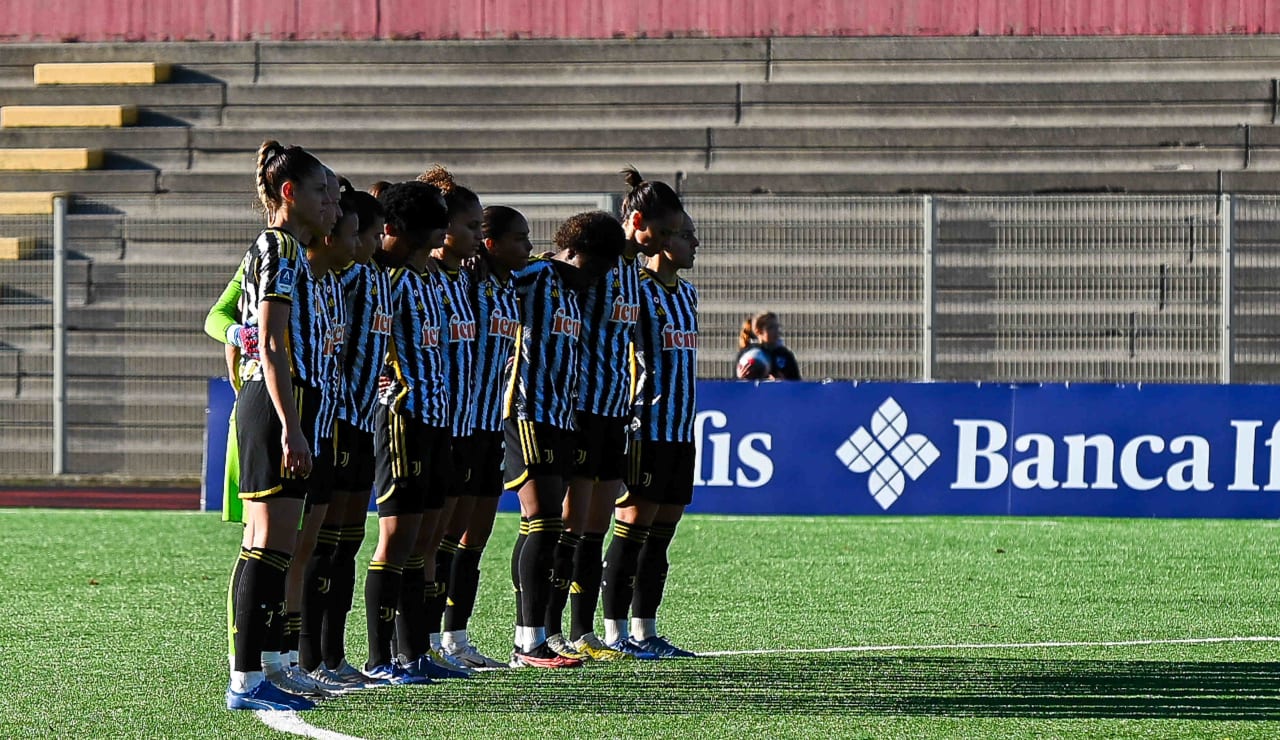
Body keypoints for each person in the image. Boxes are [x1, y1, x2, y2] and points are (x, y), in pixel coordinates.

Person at [548, 167, 685, 663]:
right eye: (664, 232)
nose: (666, 243)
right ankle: (544, 629)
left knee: (595, 526)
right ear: (638, 221)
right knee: (568, 522)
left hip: (614, 412)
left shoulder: (638, 277)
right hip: (578, 408)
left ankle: (584, 631)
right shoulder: (596, 260)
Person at [224, 140, 330, 711]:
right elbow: (267, 340)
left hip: (288, 402)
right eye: (322, 193)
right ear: (289, 193)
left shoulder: (291, 250)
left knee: (278, 546)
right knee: (266, 544)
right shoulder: (275, 245)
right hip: (273, 404)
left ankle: (266, 667)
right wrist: (291, 426)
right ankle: (245, 681)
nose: (330, 206)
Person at [504, 211, 626, 668]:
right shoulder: (534, 275)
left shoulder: (573, 292)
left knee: (549, 524)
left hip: (560, 415)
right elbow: (488, 289)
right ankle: (527, 641)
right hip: (528, 411)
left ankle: (539, 637)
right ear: (573, 251)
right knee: (542, 522)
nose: (600, 276)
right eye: (597, 265)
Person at [362, 180, 452, 685]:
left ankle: (414, 651)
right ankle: (381, 658)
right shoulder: (382, 279)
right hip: (400, 417)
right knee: (397, 536)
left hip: (436, 418)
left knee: (427, 539)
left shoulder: (430, 280)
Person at [601, 210, 700, 659]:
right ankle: (613, 630)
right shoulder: (636, 290)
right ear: (662, 240)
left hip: (681, 429)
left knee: (663, 531)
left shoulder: (689, 295)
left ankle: (646, 629)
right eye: (686, 235)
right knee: (632, 526)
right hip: (645, 427)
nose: (695, 242)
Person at [439, 205, 530, 669]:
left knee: (475, 539)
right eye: (520, 239)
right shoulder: (464, 283)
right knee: (445, 537)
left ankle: (456, 637)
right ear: (491, 243)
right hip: (454, 423)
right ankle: (426, 639)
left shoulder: (508, 288)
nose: (529, 249)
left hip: (488, 425)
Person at [306, 182, 388, 686]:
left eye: (372, 234)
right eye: (362, 234)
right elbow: (226, 314)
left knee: (345, 546)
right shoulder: (324, 278)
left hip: (361, 421)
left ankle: (333, 656)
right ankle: (305, 654)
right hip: (329, 423)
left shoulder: (360, 278)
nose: (367, 244)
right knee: (321, 548)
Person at [736, 311, 801, 380]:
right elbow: (734, 385)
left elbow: (797, 384)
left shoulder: (785, 354)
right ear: (758, 331)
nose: (776, 331)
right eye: (771, 327)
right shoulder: (747, 354)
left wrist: (784, 382)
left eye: (777, 327)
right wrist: (741, 377)